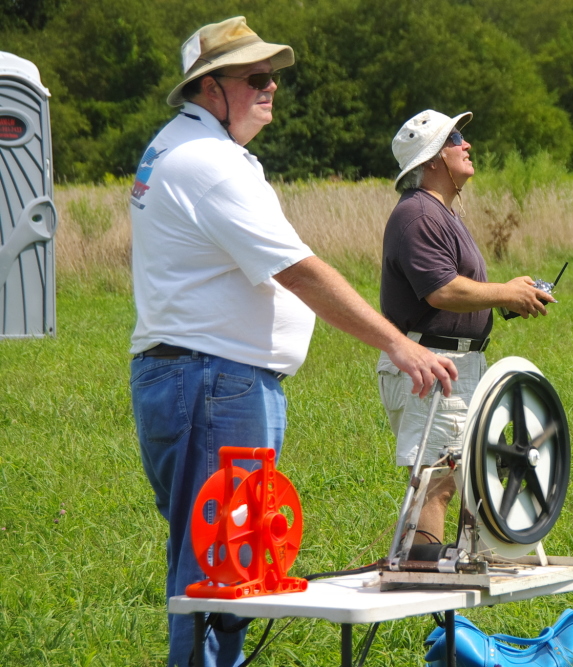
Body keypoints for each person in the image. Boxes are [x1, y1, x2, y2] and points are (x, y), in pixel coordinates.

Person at [128, 18, 456, 667]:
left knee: (228, 563)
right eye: (255, 77)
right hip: (214, 383)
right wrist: (401, 345)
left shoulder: (183, 149)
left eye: (272, 74)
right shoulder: (208, 163)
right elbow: (300, 270)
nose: (271, 86)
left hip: (207, 379)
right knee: (216, 569)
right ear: (210, 87)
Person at [377, 109, 554, 549]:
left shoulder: (443, 213)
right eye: (455, 137)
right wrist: (505, 294)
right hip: (431, 362)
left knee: (465, 478)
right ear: (433, 158)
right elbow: (441, 292)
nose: (466, 144)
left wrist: (512, 293)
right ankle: (424, 588)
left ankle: (453, 588)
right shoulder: (418, 215)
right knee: (438, 480)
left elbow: (459, 289)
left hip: (456, 362)